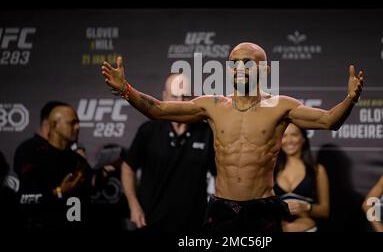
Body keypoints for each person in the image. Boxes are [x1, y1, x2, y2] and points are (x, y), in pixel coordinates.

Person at [101, 41, 363, 231]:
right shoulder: (213, 105)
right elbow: (158, 110)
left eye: (247, 62)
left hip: (262, 208)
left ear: (265, 70)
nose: (239, 67)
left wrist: (350, 99)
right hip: (222, 209)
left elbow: (330, 121)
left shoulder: (281, 107)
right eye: (234, 63)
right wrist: (127, 90)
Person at [121, 74, 216, 231]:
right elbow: (128, 167)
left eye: (185, 97)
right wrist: (134, 206)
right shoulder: (149, 131)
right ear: (164, 97)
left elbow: (220, 176)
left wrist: (215, 212)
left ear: (194, 98)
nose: (179, 102)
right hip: (149, 222)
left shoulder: (207, 133)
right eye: (175, 96)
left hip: (193, 225)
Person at [17, 104, 95, 229]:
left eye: (78, 123)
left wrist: (107, 170)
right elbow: (25, 198)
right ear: (54, 125)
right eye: (72, 123)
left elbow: (92, 185)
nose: (78, 127)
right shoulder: (35, 154)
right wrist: (59, 192)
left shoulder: (78, 159)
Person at [274, 124, 329, 232]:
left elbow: (325, 211)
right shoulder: (272, 170)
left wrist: (306, 207)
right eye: (284, 136)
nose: (289, 140)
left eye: (294, 135)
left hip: (306, 225)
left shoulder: (317, 170)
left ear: (303, 138)